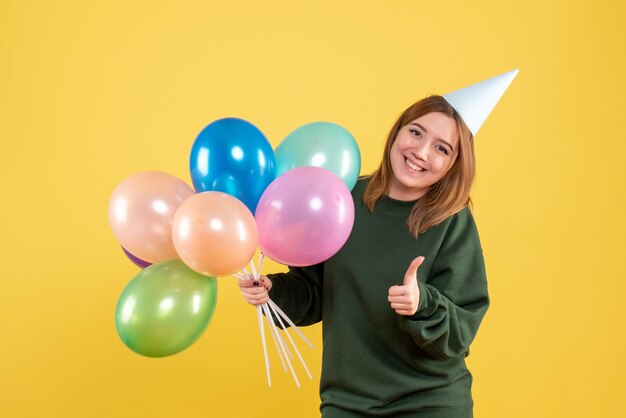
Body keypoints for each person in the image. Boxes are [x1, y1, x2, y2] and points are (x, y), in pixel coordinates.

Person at [239, 70, 518, 417]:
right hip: (349, 403)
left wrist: (422, 303)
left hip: (430, 403)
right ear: (397, 131)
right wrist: (273, 291)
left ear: (452, 165)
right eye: (416, 132)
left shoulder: (452, 221)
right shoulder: (342, 199)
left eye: (441, 149)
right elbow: (314, 291)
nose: (420, 151)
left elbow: (459, 333)